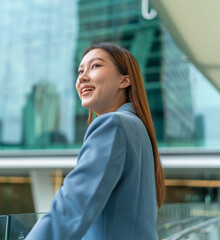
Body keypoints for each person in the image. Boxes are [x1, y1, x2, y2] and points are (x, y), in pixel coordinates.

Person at [25, 43, 165, 240]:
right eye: (80, 71)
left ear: (124, 81)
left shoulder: (112, 124)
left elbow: (73, 205)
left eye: (95, 66)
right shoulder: (136, 127)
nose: (82, 77)